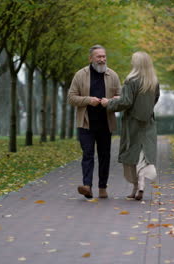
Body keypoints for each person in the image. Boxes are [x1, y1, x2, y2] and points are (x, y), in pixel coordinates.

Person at [101, 51, 160, 201]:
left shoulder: (131, 80)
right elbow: (154, 99)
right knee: (143, 155)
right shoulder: (153, 82)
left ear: (137, 63)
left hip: (132, 123)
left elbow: (127, 102)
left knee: (131, 155)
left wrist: (109, 103)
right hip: (148, 123)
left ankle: (135, 186)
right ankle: (140, 187)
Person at [68, 45, 121, 199]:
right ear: (90, 58)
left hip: (106, 123)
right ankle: (87, 186)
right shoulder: (80, 75)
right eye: (98, 57)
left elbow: (120, 98)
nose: (102, 59)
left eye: (104, 56)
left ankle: (102, 187)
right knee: (88, 154)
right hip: (86, 123)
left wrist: (110, 101)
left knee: (105, 156)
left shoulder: (113, 75)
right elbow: (71, 98)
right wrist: (88, 100)